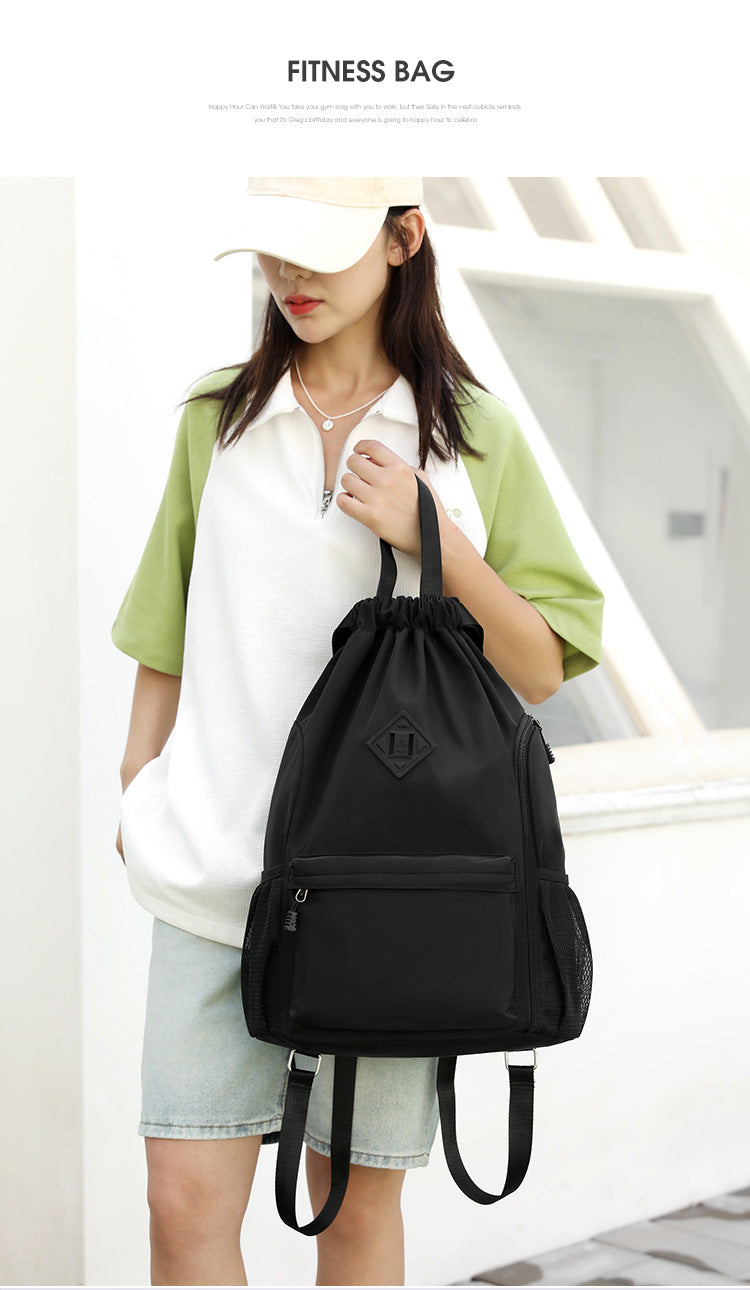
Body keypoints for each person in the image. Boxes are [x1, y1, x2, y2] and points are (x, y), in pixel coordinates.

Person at [112, 177, 604, 1287]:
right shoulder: (217, 419)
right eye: (272, 251)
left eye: (318, 250)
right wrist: (137, 787)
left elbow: (543, 664)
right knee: (182, 1208)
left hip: (387, 893)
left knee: (355, 1211)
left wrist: (438, 540)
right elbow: (164, 624)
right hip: (211, 878)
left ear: (402, 236)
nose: (289, 277)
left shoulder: (471, 434)